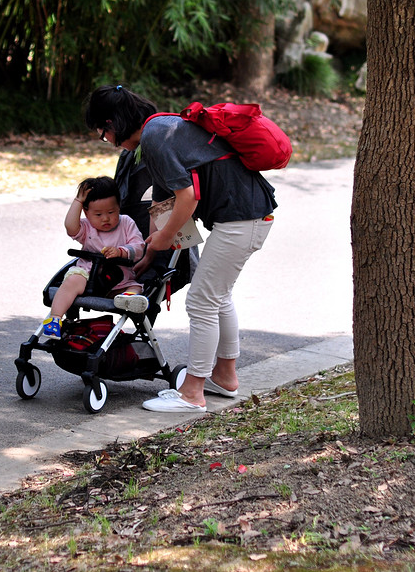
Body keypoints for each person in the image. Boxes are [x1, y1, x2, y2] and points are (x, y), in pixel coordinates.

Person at [84, 84, 276, 412]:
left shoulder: (157, 137)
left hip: (243, 218)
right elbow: (165, 205)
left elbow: (188, 199)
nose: (107, 141)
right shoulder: (157, 133)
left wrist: (160, 239)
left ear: (113, 124)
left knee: (202, 301)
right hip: (246, 215)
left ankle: (192, 393)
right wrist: (151, 253)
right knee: (218, 296)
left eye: (103, 134)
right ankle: (225, 377)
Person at [41, 176, 147, 338]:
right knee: (71, 280)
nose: (105, 218)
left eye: (111, 212)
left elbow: (139, 247)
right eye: (98, 214)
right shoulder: (87, 227)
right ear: (86, 212)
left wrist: (121, 251)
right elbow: (70, 227)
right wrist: (78, 201)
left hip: (118, 281)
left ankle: (127, 298)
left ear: (119, 207)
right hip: (88, 276)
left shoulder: (126, 223)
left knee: (137, 287)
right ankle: (54, 319)